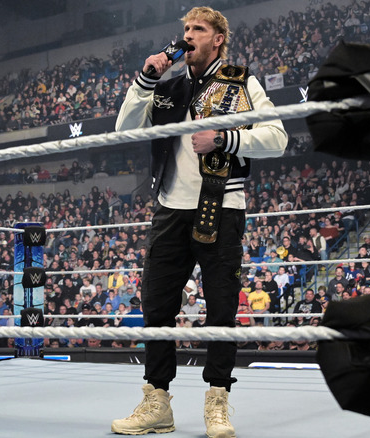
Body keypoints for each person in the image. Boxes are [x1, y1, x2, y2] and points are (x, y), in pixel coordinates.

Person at [111, 7, 287, 437]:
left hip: (221, 207)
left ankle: (218, 402)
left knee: (222, 308)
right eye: (185, 29)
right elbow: (123, 130)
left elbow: (277, 138)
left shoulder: (242, 82)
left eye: (198, 29)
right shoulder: (167, 87)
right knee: (156, 307)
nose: (188, 36)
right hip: (170, 208)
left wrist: (224, 137)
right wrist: (145, 80)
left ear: (218, 39)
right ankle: (157, 401)